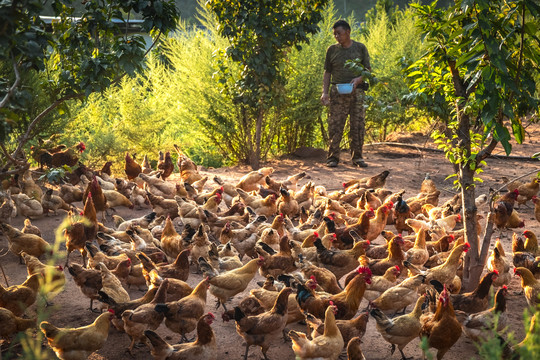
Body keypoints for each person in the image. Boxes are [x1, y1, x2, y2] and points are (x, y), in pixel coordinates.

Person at [321, 20, 371, 168]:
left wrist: (358, 79)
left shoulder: (360, 48)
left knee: (357, 125)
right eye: (334, 34)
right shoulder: (332, 50)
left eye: (339, 33)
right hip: (337, 92)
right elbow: (327, 72)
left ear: (348, 32)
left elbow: (368, 69)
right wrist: (324, 92)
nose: (337, 36)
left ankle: (357, 158)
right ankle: (333, 158)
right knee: (335, 125)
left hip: (358, 92)